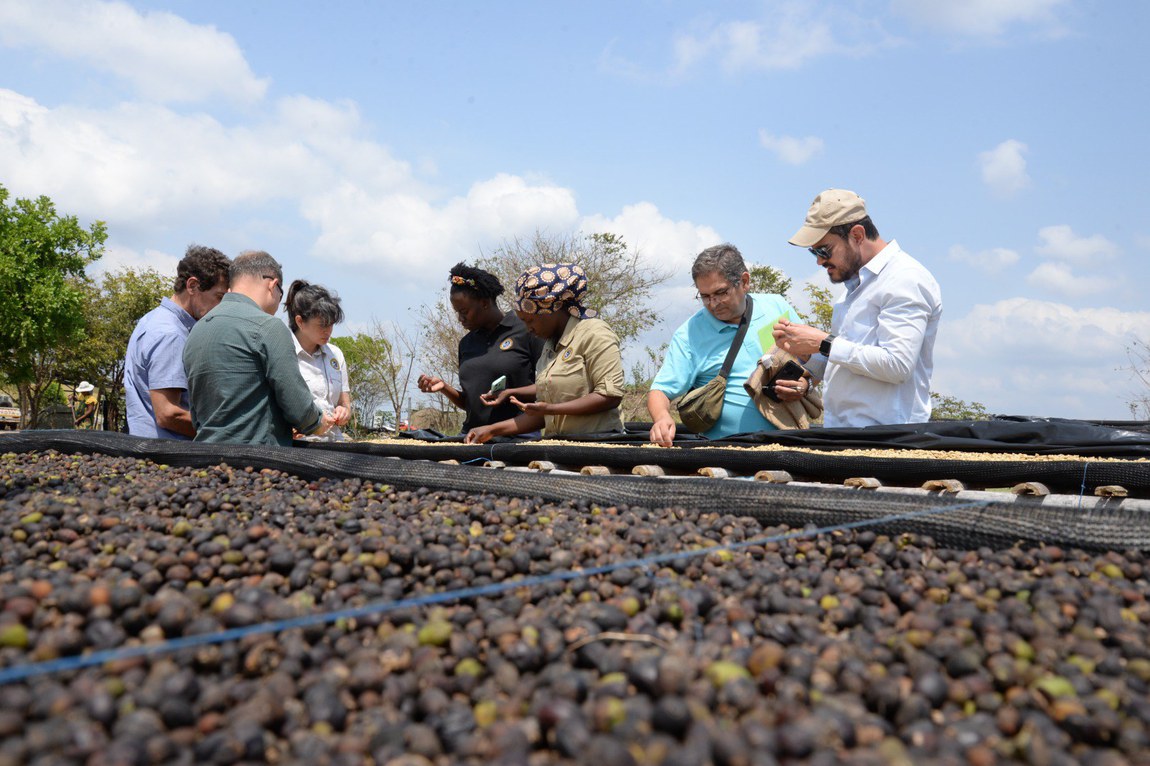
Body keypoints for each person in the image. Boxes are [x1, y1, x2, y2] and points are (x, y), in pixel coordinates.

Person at [772, 189, 942, 428]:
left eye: (823, 250)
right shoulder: (855, 287)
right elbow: (848, 358)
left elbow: (897, 365)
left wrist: (824, 343)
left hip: (888, 438)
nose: (819, 261)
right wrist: (807, 351)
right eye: (814, 252)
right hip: (848, 433)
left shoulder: (905, 279)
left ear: (858, 235)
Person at [647, 244, 803, 446]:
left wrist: (805, 385)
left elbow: (813, 361)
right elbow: (659, 391)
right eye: (704, 296)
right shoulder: (689, 334)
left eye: (721, 293)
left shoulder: (777, 307)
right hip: (726, 459)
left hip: (789, 448)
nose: (713, 303)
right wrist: (661, 418)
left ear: (744, 282)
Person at [183, 251, 335, 446]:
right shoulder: (269, 327)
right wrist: (317, 423)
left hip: (204, 457)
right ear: (272, 285)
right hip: (258, 463)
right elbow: (299, 407)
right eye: (281, 292)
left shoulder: (197, 330)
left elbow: (196, 412)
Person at [464, 263, 625, 444]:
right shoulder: (549, 345)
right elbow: (541, 415)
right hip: (557, 448)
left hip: (597, 445)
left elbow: (610, 396)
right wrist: (491, 430)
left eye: (530, 320)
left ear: (552, 309)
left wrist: (551, 409)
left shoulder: (594, 333)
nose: (528, 329)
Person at [417, 263, 544, 433]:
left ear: (484, 303)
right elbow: (471, 404)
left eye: (464, 311)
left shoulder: (525, 329)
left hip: (517, 436)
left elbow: (550, 388)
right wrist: (444, 387)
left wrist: (510, 393)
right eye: (457, 312)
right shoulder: (466, 344)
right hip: (472, 436)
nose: (460, 319)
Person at [124, 245, 231, 439]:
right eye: (219, 297)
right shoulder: (171, 335)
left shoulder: (152, 320)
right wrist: (225, 434)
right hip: (166, 457)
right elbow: (168, 414)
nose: (221, 306)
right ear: (192, 286)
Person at [285, 280, 352, 441]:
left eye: (331, 324)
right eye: (322, 325)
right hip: (299, 448)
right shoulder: (284, 353)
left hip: (333, 444)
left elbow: (345, 404)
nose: (328, 331)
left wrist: (343, 412)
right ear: (300, 321)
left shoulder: (335, 355)